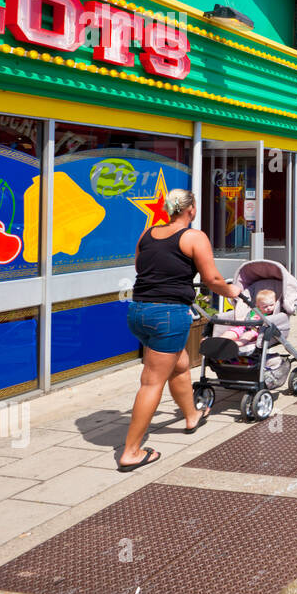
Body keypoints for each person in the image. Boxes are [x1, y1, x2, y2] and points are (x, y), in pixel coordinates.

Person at [121, 189, 239, 472]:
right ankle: (131, 452)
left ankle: (191, 415)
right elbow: (211, 279)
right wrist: (231, 290)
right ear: (191, 210)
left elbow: (142, 267)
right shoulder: (194, 237)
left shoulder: (147, 234)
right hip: (168, 314)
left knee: (180, 363)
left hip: (138, 312)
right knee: (151, 381)